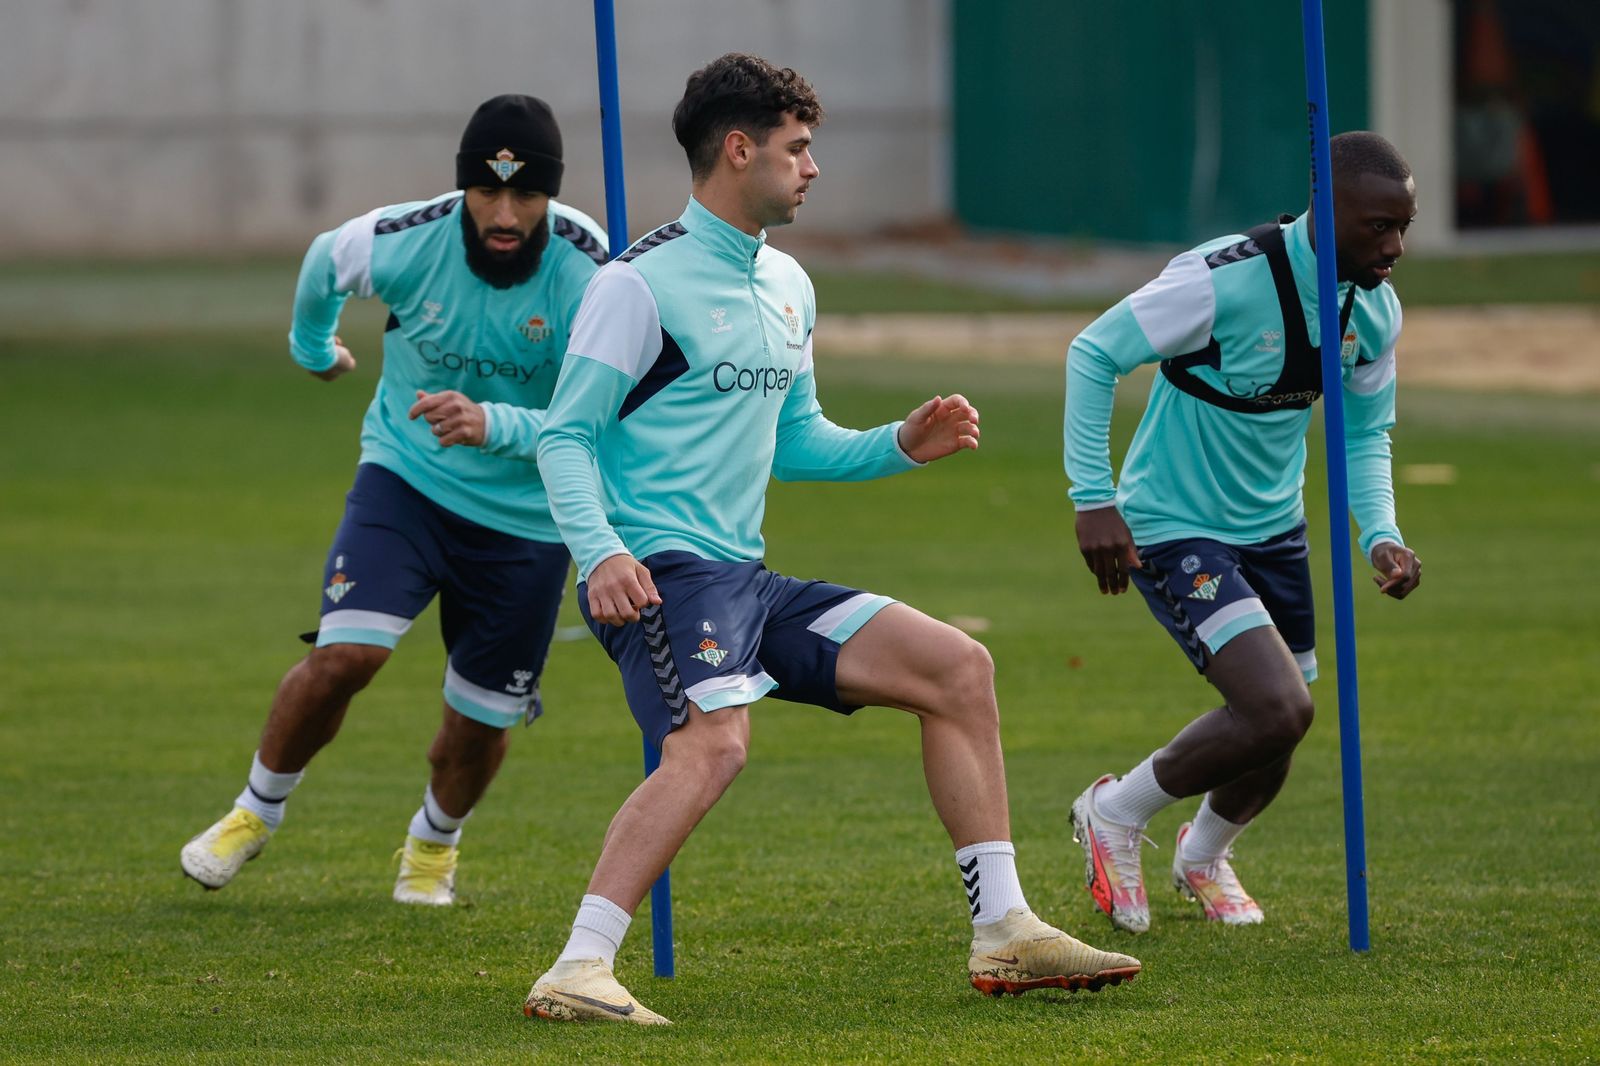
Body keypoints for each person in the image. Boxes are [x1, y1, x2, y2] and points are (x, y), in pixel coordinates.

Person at [521, 53, 1139, 1027]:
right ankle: (578, 966)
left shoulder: (789, 286)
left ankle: (1006, 929)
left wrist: (899, 443)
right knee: (714, 744)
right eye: (796, 148)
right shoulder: (637, 286)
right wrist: (600, 552)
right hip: (662, 575)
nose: (812, 168)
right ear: (738, 149)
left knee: (956, 668)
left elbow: (797, 442)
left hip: (743, 579)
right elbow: (564, 434)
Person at [179, 95, 608, 905]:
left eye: (526, 196)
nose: (505, 213)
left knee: (478, 723)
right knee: (348, 655)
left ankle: (432, 849)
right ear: (462, 187)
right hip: (405, 481)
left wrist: (496, 423)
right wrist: (314, 350)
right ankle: (253, 813)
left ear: (552, 195)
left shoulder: (595, 272)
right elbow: (321, 262)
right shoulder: (406, 239)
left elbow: (610, 414)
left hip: (527, 519)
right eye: (488, 192)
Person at [1062, 131, 1423, 934]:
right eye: (1377, 227)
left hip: (1275, 528)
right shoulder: (1221, 281)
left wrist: (1380, 534)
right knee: (1277, 707)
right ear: (1326, 210)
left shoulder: (1374, 308)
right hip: (1172, 524)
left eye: (1404, 226)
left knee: (1279, 729)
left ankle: (1203, 857)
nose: (1395, 246)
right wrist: (1093, 498)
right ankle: (1114, 814)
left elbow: (1364, 436)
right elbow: (1093, 355)